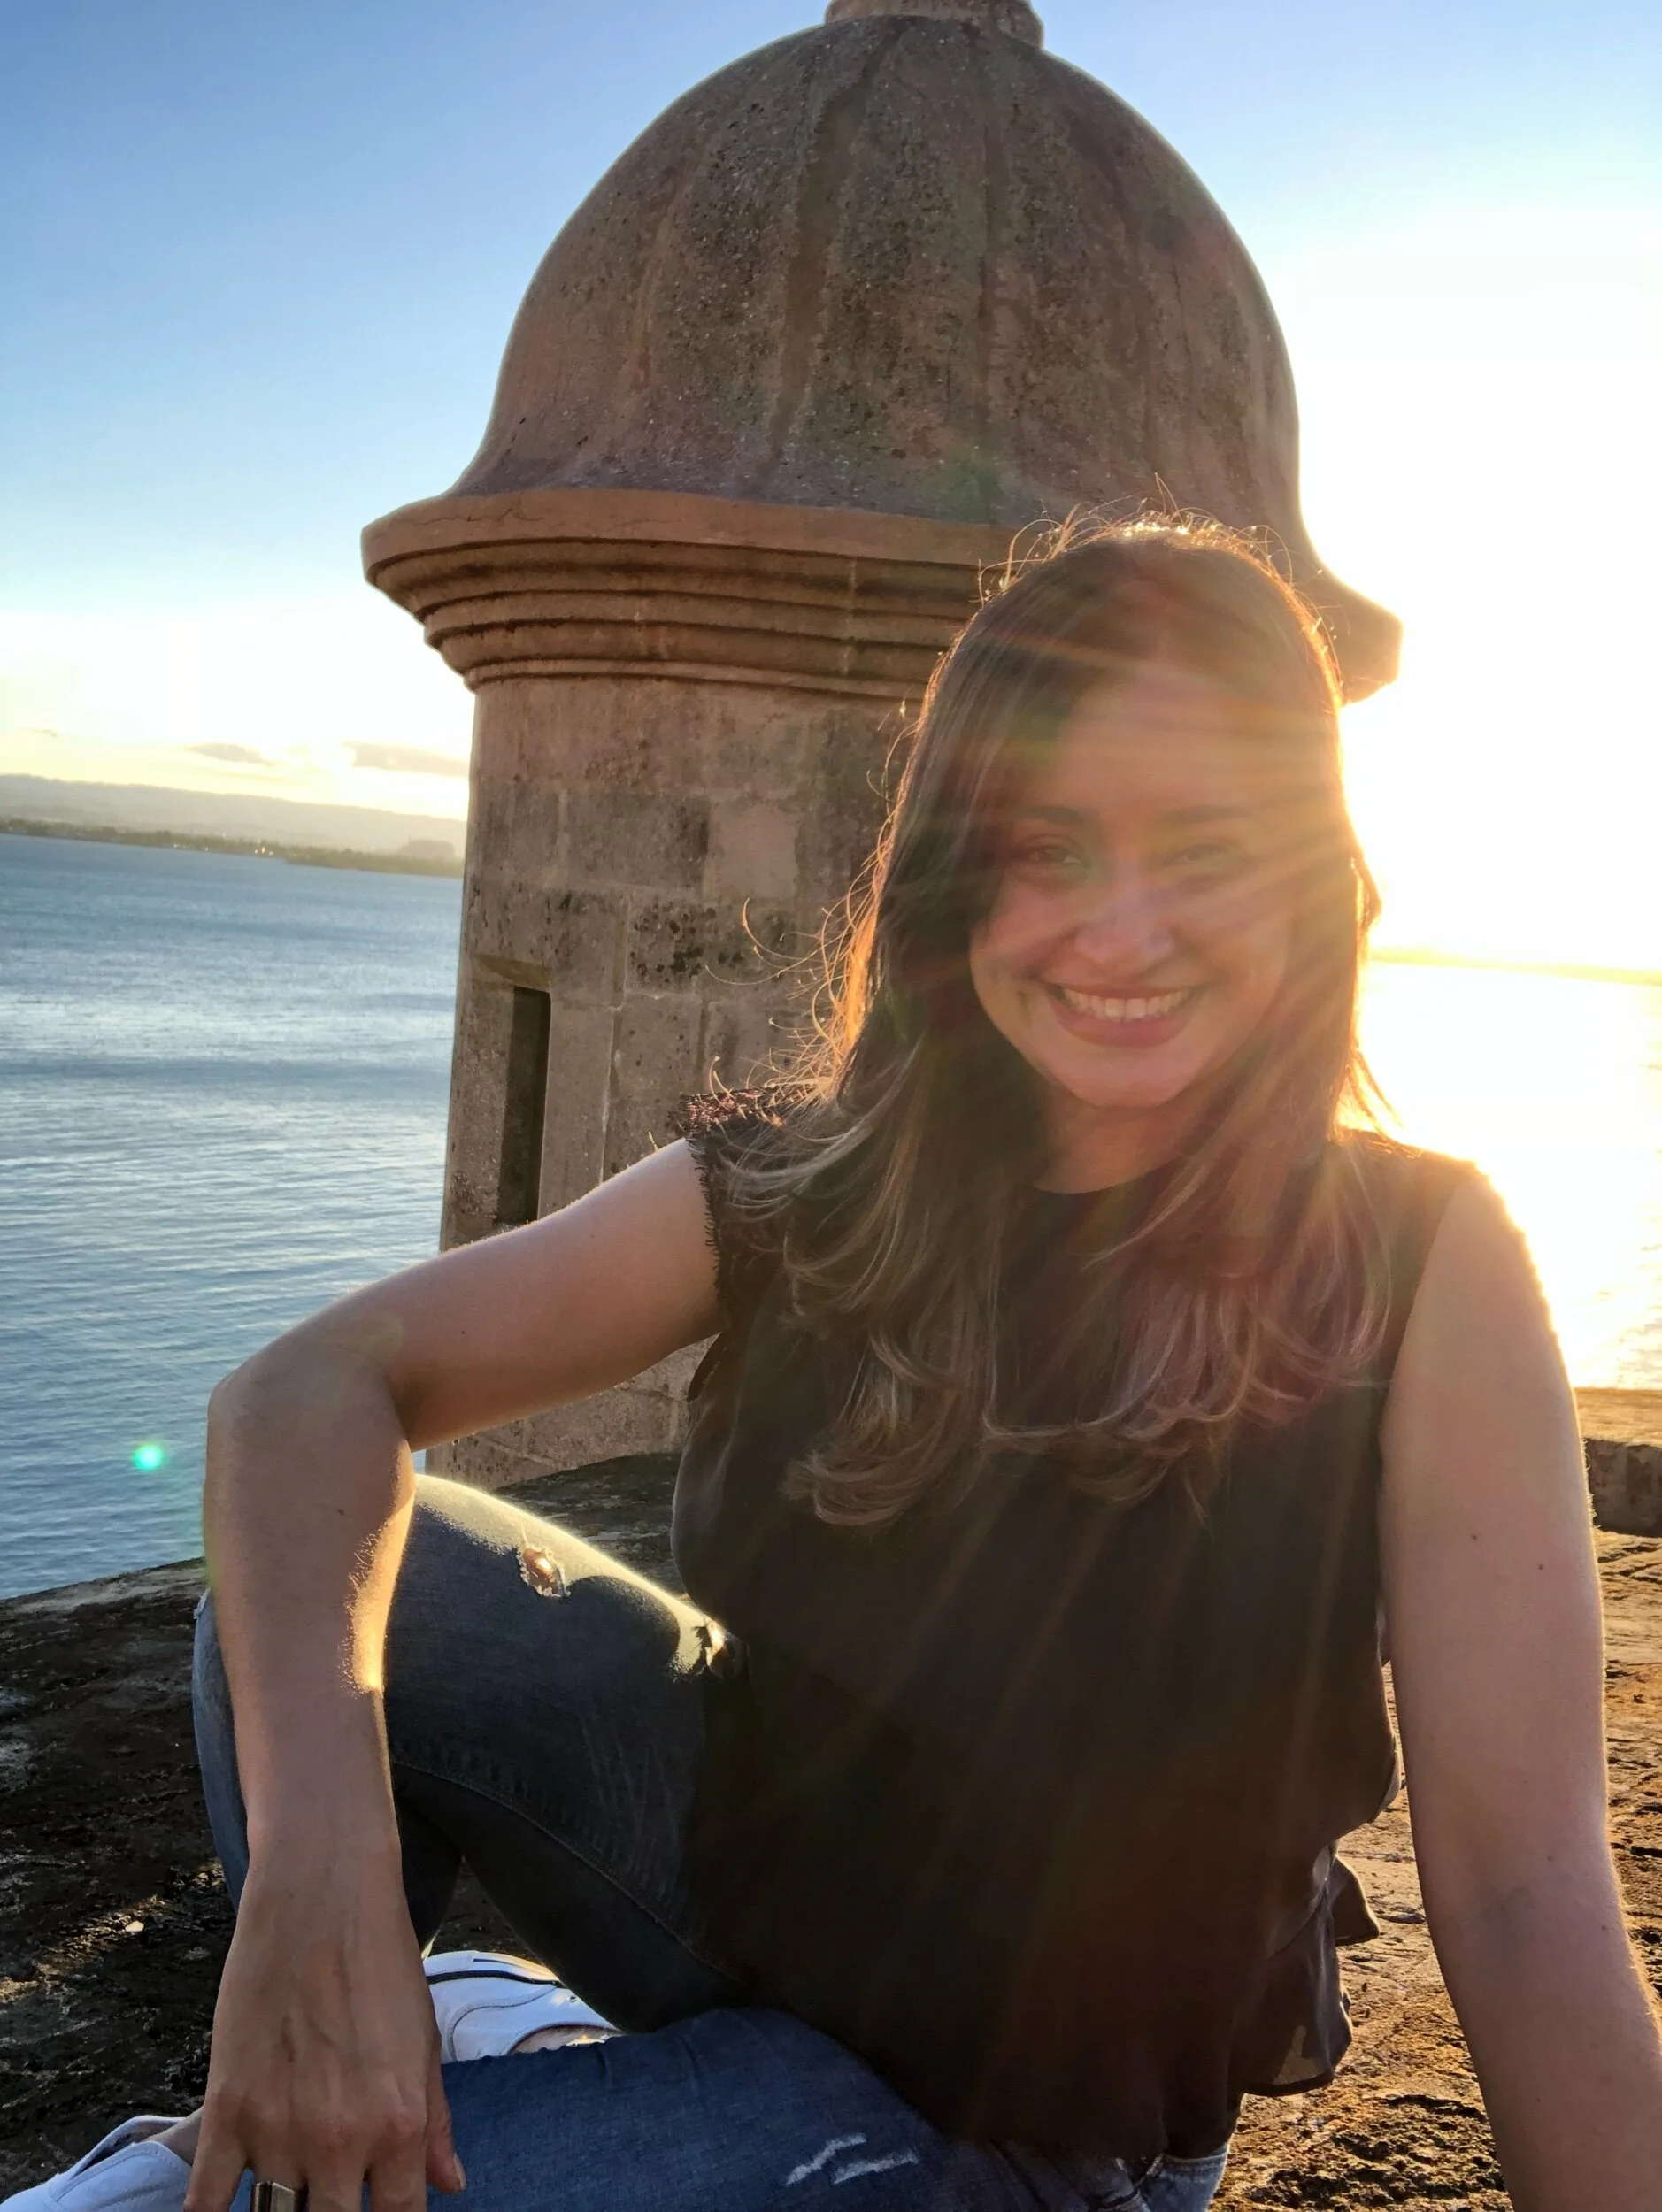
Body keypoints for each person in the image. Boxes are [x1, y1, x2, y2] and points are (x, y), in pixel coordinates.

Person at [11, 518, 1661, 2212]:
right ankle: (400, 2051)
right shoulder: (808, 1185)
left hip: (1036, 2125)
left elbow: (1522, 1888)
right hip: (752, 1918)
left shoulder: (1414, 1261)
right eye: (1045, 845)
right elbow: (301, 1394)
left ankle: (460, 2098)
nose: (1121, 930)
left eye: (1207, 848)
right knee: (345, 1585)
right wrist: (323, 1889)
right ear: (953, 875)